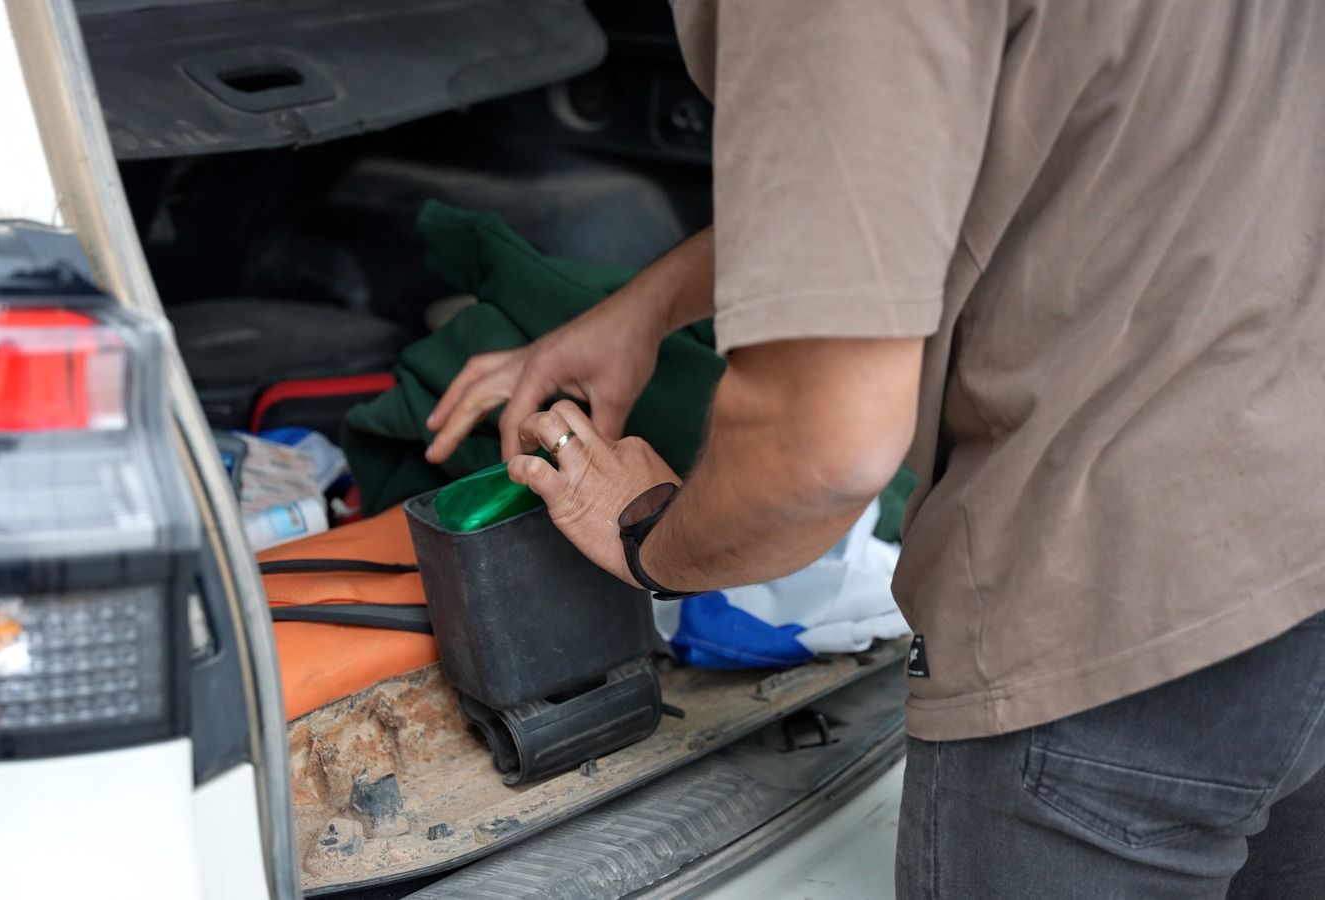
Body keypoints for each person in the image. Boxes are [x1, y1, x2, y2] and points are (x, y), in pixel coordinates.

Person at [423, 2, 1325, 897]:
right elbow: (972, 164)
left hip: (1110, 631)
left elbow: (819, 455)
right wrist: (650, 306)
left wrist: (647, 537)